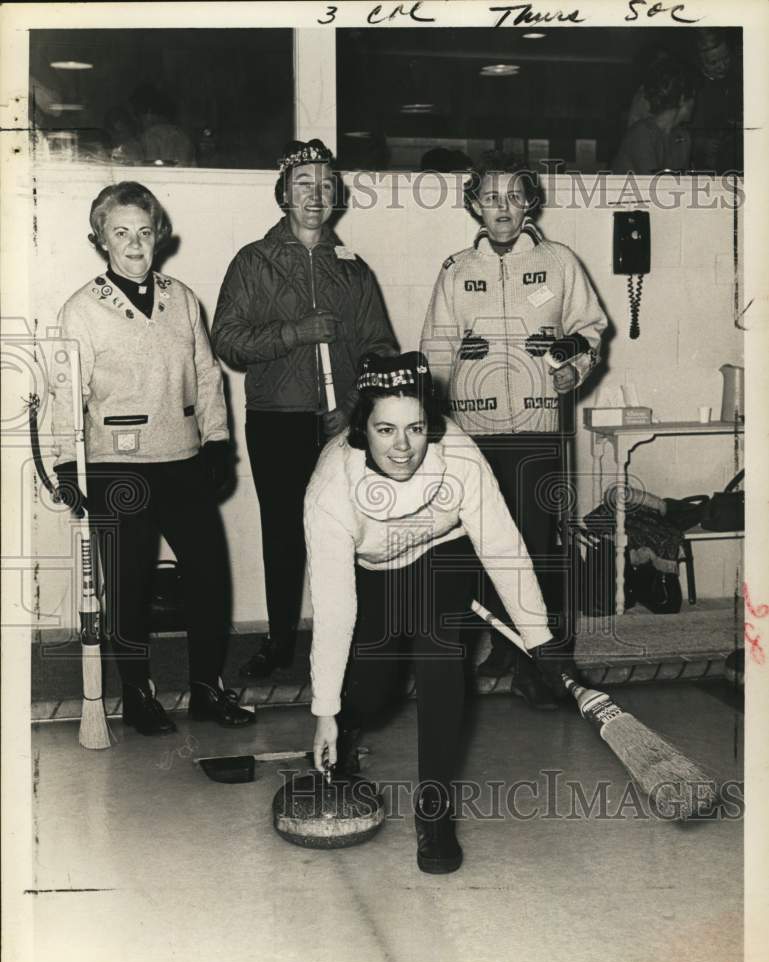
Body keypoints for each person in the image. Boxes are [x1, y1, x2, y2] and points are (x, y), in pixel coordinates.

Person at [307, 352, 558, 874]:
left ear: (431, 426)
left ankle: (435, 812)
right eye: (385, 429)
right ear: (362, 429)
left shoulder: (460, 455)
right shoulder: (332, 489)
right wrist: (326, 711)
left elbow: (503, 549)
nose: (401, 446)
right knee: (373, 695)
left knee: (441, 659)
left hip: (444, 553)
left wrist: (541, 644)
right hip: (374, 571)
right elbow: (333, 610)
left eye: (415, 428)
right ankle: (349, 731)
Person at [51, 181, 253, 735]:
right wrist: (67, 466)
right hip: (118, 468)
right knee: (131, 584)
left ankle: (208, 690)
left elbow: (209, 375)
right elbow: (63, 397)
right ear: (101, 240)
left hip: (182, 458)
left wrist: (217, 441)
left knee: (210, 575)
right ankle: (138, 696)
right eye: (122, 233)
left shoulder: (182, 297)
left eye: (144, 232)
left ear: (158, 236)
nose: (135, 244)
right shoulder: (81, 310)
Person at [420, 155, 606, 709]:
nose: (502, 208)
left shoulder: (559, 262)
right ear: (474, 205)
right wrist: (435, 427)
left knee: (538, 543)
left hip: (537, 427)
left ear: (530, 202)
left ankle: (541, 663)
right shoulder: (455, 269)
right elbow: (435, 352)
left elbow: (589, 329)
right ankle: (503, 647)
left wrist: (574, 367)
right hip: (473, 432)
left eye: (513, 196)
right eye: (490, 197)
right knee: (483, 545)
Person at [211, 139, 398, 678]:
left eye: (325, 184)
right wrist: (294, 333)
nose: (316, 194)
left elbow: (380, 346)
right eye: (303, 184)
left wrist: (357, 405)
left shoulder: (353, 267)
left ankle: (354, 638)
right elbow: (227, 340)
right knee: (285, 534)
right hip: (278, 421)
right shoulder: (254, 261)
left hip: (342, 423)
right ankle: (279, 642)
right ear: (283, 195)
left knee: (352, 529)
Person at [612, 56, 695, 173]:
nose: (695, 104)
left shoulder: (682, 138)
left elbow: (682, 185)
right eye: (693, 97)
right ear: (682, 99)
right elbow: (653, 186)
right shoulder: (642, 134)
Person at [689, 29, 742, 174]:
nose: (722, 66)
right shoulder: (693, 88)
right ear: (700, 62)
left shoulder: (738, 75)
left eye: (726, 58)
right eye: (713, 62)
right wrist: (700, 142)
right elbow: (676, 135)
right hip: (704, 164)